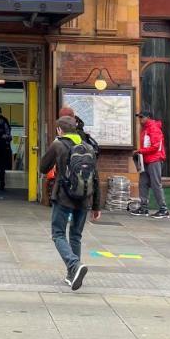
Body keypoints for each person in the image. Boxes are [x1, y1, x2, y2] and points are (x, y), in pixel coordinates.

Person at [39, 115, 102, 290]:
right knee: (76, 235)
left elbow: (43, 167)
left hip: (64, 197)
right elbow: (95, 177)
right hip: (85, 197)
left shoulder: (58, 144)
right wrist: (96, 205)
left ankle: (74, 264)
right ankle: (71, 275)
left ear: (60, 130)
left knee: (58, 234)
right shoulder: (88, 147)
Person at [131, 109, 169, 219]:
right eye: (139, 117)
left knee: (156, 184)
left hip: (154, 159)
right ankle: (144, 208)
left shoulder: (154, 128)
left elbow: (155, 147)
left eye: (142, 117)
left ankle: (163, 209)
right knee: (143, 183)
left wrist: (140, 151)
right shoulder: (145, 128)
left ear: (148, 117)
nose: (140, 119)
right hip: (146, 160)